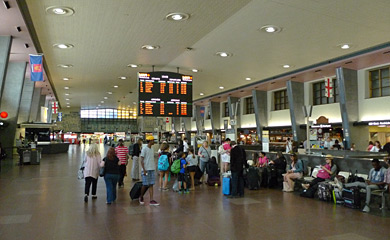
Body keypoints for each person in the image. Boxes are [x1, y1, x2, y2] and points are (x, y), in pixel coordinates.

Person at [139, 136, 159, 206]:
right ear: (150, 141)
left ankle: (151, 199)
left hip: (151, 169)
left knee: (151, 184)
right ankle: (141, 196)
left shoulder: (152, 149)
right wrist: (144, 170)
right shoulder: (144, 149)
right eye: (153, 140)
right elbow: (141, 160)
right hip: (146, 169)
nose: (154, 142)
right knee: (145, 184)